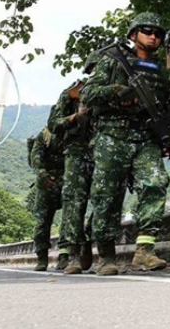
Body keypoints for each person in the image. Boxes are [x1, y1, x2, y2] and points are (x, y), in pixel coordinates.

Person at [81, 13, 170, 276]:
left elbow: (169, 108)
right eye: (147, 30)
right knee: (107, 197)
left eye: (158, 33)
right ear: (134, 34)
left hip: (147, 138)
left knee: (156, 183)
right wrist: (116, 92)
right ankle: (107, 255)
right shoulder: (112, 61)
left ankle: (145, 251)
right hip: (113, 136)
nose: (153, 36)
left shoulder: (161, 72)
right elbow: (88, 94)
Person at [49, 52, 102, 275]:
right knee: (73, 202)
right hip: (77, 153)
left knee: (105, 199)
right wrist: (74, 117)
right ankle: (72, 253)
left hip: (105, 151)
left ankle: (89, 238)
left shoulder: (111, 91)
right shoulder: (71, 93)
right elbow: (53, 124)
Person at [28, 121, 64, 272]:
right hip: (47, 181)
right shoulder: (46, 134)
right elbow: (35, 157)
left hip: (68, 179)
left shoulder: (76, 130)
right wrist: (43, 174)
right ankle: (42, 257)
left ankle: (65, 255)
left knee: (71, 218)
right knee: (42, 221)